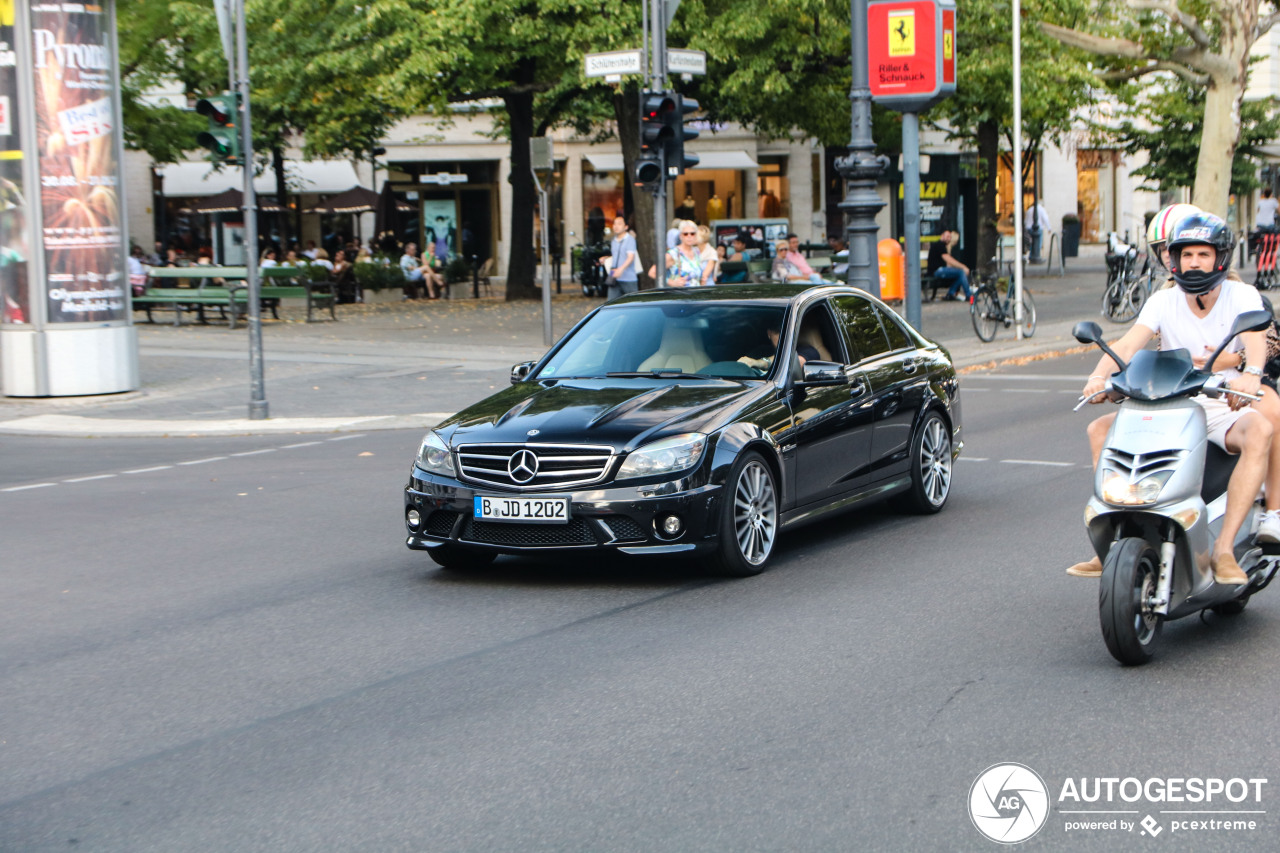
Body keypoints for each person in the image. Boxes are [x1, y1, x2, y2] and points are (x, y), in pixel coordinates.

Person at [1067, 213, 1280, 584]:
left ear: (1220, 258)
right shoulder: (1163, 300)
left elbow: (1257, 344)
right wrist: (1099, 376)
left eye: (1203, 254)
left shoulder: (1242, 295)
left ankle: (1225, 550)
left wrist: (1250, 374)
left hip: (1221, 399)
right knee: (1099, 430)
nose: (1194, 262)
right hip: (1171, 399)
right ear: (1174, 259)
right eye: (1185, 255)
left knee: (1260, 429)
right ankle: (1115, 544)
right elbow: (1129, 344)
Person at [737, 323, 819, 371]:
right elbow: (742, 364)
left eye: (787, 332)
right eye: (778, 332)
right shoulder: (760, 351)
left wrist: (760, 363)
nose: (783, 336)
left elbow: (793, 362)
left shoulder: (808, 351)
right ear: (769, 334)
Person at [927, 229, 971, 301]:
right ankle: (968, 295)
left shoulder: (942, 246)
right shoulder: (939, 245)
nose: (949, 239)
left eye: (950, 237)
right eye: (947, 236)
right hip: (936, 271)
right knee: (961, 272)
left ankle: (951, 293)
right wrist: (963, 267)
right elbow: (948, 259)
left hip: (940, 269)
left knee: (960, 275)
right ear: (942, 236)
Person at [605, 215, 639, 299]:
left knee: (632, 304)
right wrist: (606, 258)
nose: (616, 226)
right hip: (614, 277)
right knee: (611, 304)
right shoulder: (613, 240)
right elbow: (616, 256)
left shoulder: (630, 240)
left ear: (626, 227)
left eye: (619, 224)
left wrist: (621, 269)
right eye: (614, 224)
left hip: (628, 278)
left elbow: (630, 257)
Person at [663, 222, 706, 287]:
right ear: (681, 236)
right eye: (685, 234)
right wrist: (672, 282)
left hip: (697, 295)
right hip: (680, 295)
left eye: (692, 234)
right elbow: (653, 272)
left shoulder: (697, 251)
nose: (689, 236)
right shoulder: (674, 253)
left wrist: (702, 280)